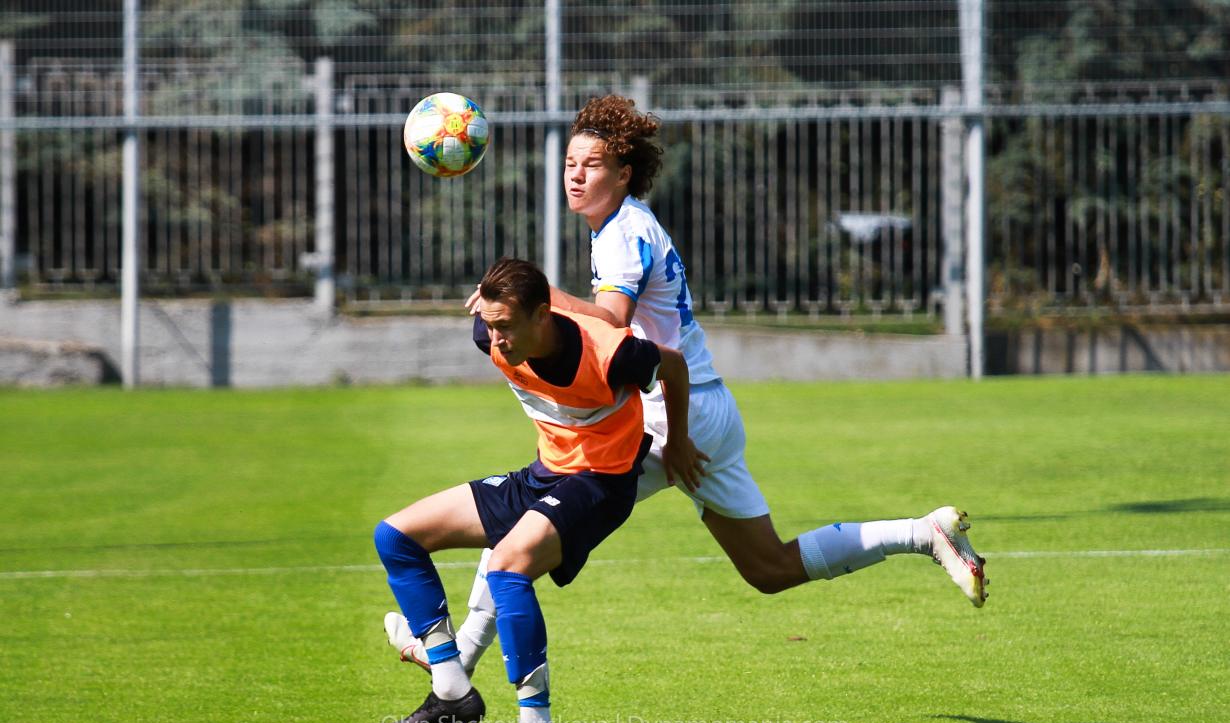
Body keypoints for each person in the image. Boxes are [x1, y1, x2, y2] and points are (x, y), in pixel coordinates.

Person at [385, 96, 988, 680]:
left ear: (624, 173)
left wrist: (539, 297)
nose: (575, 175)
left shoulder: (622, 234)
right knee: (768, 567)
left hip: (668, 416)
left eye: (591, 165)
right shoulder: (625, 224)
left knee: (521, 526)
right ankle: (922, 532)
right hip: (707, 404)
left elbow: (612, 321)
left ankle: (454, 668)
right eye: (570, 163)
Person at [375, 256, 702, 723]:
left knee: (508, 567)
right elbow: (496, 328)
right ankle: (452, 688)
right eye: (489, 325)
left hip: (600, 482)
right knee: (395, 536)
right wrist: (492, 316)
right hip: (543, 475)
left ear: (542, 315)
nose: (496, 339)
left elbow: (674, 367)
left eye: (506, 326)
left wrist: (676, 441)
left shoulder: (613, 354)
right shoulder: (488, 336)